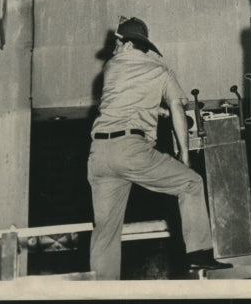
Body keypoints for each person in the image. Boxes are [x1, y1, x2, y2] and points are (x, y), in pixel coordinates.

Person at [87, 16, 229, 279]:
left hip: (99, 156)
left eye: (118, 43)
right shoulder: (159, 70)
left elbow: (130, 96)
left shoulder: (111, 66)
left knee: (105, 231)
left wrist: (156, 111)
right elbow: (178, 109)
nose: (114, 48)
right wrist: (184, 155)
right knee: (191, 183)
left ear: (128, 45)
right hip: (131, 150)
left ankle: (101, 291)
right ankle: (199, 254)